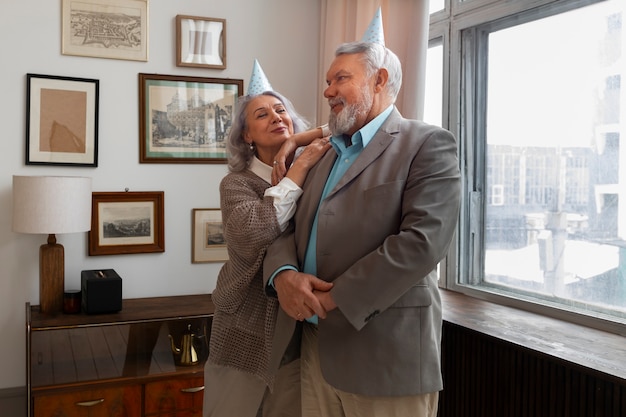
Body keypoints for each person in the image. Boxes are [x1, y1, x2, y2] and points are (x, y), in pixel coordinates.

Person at [263, 41, 462, 417]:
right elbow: (287, 229)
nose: (327, 91)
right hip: (314, 350)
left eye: (341, 78)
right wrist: (284, 274)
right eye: (327, 81)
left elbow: (422, 244)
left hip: (383, 355)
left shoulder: (427, 144)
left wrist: (330, 298)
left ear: (379, 80)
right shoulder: (323, 154)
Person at [203, 89, 332, 417]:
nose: (276, 117)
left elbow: (352, 126)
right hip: (244, 327)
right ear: (246, 135)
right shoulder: (237, 184)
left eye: (281, 111)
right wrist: (298, 167)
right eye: (262, 114)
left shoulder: (320, 171)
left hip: (297, 329)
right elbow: (250, 235)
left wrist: (302, 140)